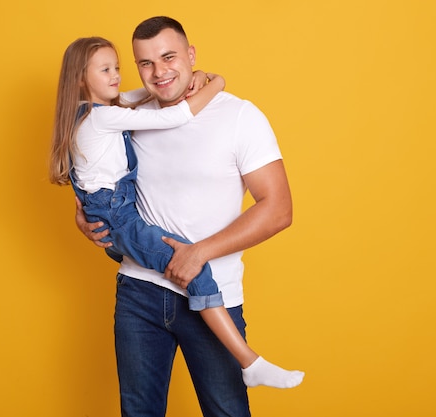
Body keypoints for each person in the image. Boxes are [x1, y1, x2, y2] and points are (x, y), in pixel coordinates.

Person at [75, 18, 304, 416]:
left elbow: (278, 209)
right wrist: (83, 215)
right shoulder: (132, 111)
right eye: (145, 63)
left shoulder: (240, 117)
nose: (159, 72)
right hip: (138, 293)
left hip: (212, 300)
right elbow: (92, 156)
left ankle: (251, 363)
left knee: (226, 411)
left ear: (191, 55)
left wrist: (199, 253)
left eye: (169, 57)